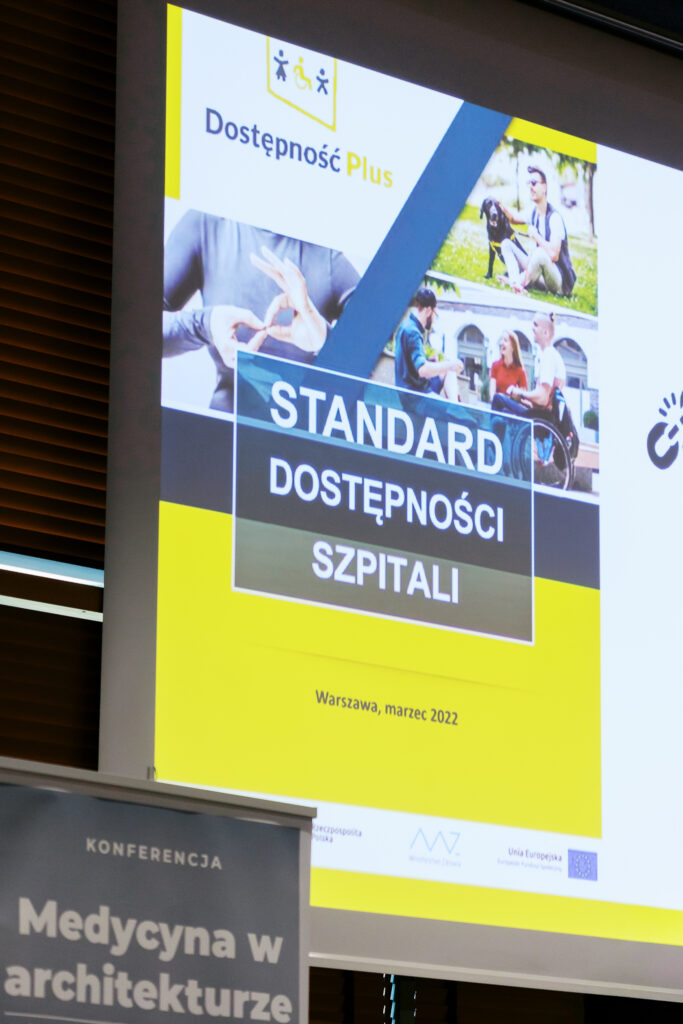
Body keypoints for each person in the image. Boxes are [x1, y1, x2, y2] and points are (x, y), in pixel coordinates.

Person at [163, 210, 359, 413]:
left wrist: (326, 341)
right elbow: (144, 328)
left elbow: (379, 367)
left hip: (308, 430)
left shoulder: (329, 257)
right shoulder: (207, 223)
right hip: (221, 430)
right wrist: (205, 324)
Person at [499, 165, 576, 297]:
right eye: (529, 183)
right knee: (506, 244)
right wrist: (500, 206)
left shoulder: (554, 218)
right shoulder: (533, 212)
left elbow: (554, 255)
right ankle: (515, 282)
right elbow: (513, 218)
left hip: (559, 282)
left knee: (540, 253)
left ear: (544, 187)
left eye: (534, 183)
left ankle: (518, 282)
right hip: (541, 274)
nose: (530, 187)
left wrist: (536, 235)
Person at [491, 311, 565, 416]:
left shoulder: (549, 355)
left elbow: (542, 399)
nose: (532, 328)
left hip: (541, 417)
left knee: (498, 399)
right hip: (540, 414)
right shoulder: (550, 355)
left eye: (536, 325)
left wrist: (519, 392)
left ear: (545, 332)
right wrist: (521, 399)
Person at [394, 288, 463, 399]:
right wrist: (451, 365)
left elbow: (410, 365)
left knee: (448, 371)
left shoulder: (406, 326)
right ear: (428, 311)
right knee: (449, 368)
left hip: (409, 389)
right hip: (416, 396)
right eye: (435, 314)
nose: (434, 320)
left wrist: (441, 365)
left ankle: (454, 405)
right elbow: (422, 370)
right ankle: (454, 407)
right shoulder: (413, 333)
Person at [489, 330, 527, 401]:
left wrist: (514, 395)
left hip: (511, 406)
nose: (501, 343)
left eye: (505, 340)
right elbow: (492, 394)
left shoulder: (521, 371)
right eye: (501, 340)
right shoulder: (495, 366)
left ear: (513, 347)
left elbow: (523, 396)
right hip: (497, 405)